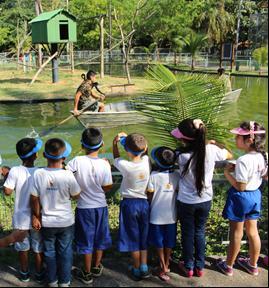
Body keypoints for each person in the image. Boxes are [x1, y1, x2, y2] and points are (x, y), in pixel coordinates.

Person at [171, 118, 233, 278]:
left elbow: (166, 157)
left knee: (187, 233)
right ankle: (200, 267)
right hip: (205, 199)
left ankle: (189, 266)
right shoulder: (211, 150)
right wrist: (212, 143)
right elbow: (229, 154)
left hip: (186, 201)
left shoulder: (180, 155)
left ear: (183, 138)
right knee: (199, 232)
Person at [217, 121, 268, 277]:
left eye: (238, 136)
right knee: (253, 231)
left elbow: (240, 187)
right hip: (255, 196)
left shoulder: (243, 160)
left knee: (236, 233)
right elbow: (264, 176)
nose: (235, 138)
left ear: (249, 140)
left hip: (241, 198)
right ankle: (253, 265)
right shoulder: (263, 155)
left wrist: (227, 173)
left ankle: (228, 266)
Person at [30, 138, 81, 287]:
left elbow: (34, 198)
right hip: (66, 221)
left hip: (47, 221)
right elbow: (77, 195)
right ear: (64, 158)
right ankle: (64, 281)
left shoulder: (39, 174)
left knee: (49, 252)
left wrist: (37, 216)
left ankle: (52, 281)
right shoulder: (68, 175)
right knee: (65, 252)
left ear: (45, 156)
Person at [67, 128, 113, 285]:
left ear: (82, 145)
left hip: (84, 208)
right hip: (101, 206)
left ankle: (86, 273)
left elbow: (66, 174)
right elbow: (107, 187)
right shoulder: (104, 164)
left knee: (86, 240)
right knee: (100, 238)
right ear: (102, 145)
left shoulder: (76, 161)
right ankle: (96, 266)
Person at [3, 138, 44, 283]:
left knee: (23, 248)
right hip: (37, 217)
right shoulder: (40, 172)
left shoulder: (14, 170)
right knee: (38, 247)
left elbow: (7, 191)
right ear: (35, 155)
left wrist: (6, 177)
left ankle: (24, 273)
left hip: (20, 218)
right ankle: (39, 273)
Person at [113, 132, 151, 281]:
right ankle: (144, 266)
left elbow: (116, 157)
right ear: (144, 148)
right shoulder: (147, 161)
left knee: (133, 237)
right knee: (143, 236)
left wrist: (116, 143)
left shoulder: (125, 165)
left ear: (127, 151)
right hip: (144, 203)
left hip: (129, 204)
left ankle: (136, 268)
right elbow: (144, 149)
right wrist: (130, 139)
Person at [147, 146, 179, 282]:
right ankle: (167, 263)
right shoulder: (177, 175)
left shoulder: (153, 176)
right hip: (172, 215)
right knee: (169, 242)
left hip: (156, 215)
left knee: (159, 242)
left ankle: (162, 266)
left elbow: (149, 194)